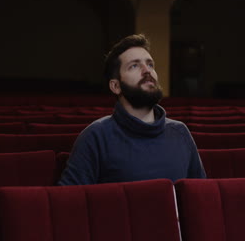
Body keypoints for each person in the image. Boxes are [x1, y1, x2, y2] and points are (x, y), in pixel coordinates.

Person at [58, 34, 206, 185]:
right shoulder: (95, 136)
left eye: (150, 64)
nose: (147, 70)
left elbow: (200, 196)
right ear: (116, 86)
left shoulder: (180, 133)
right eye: (134, 66)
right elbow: (68, 201)